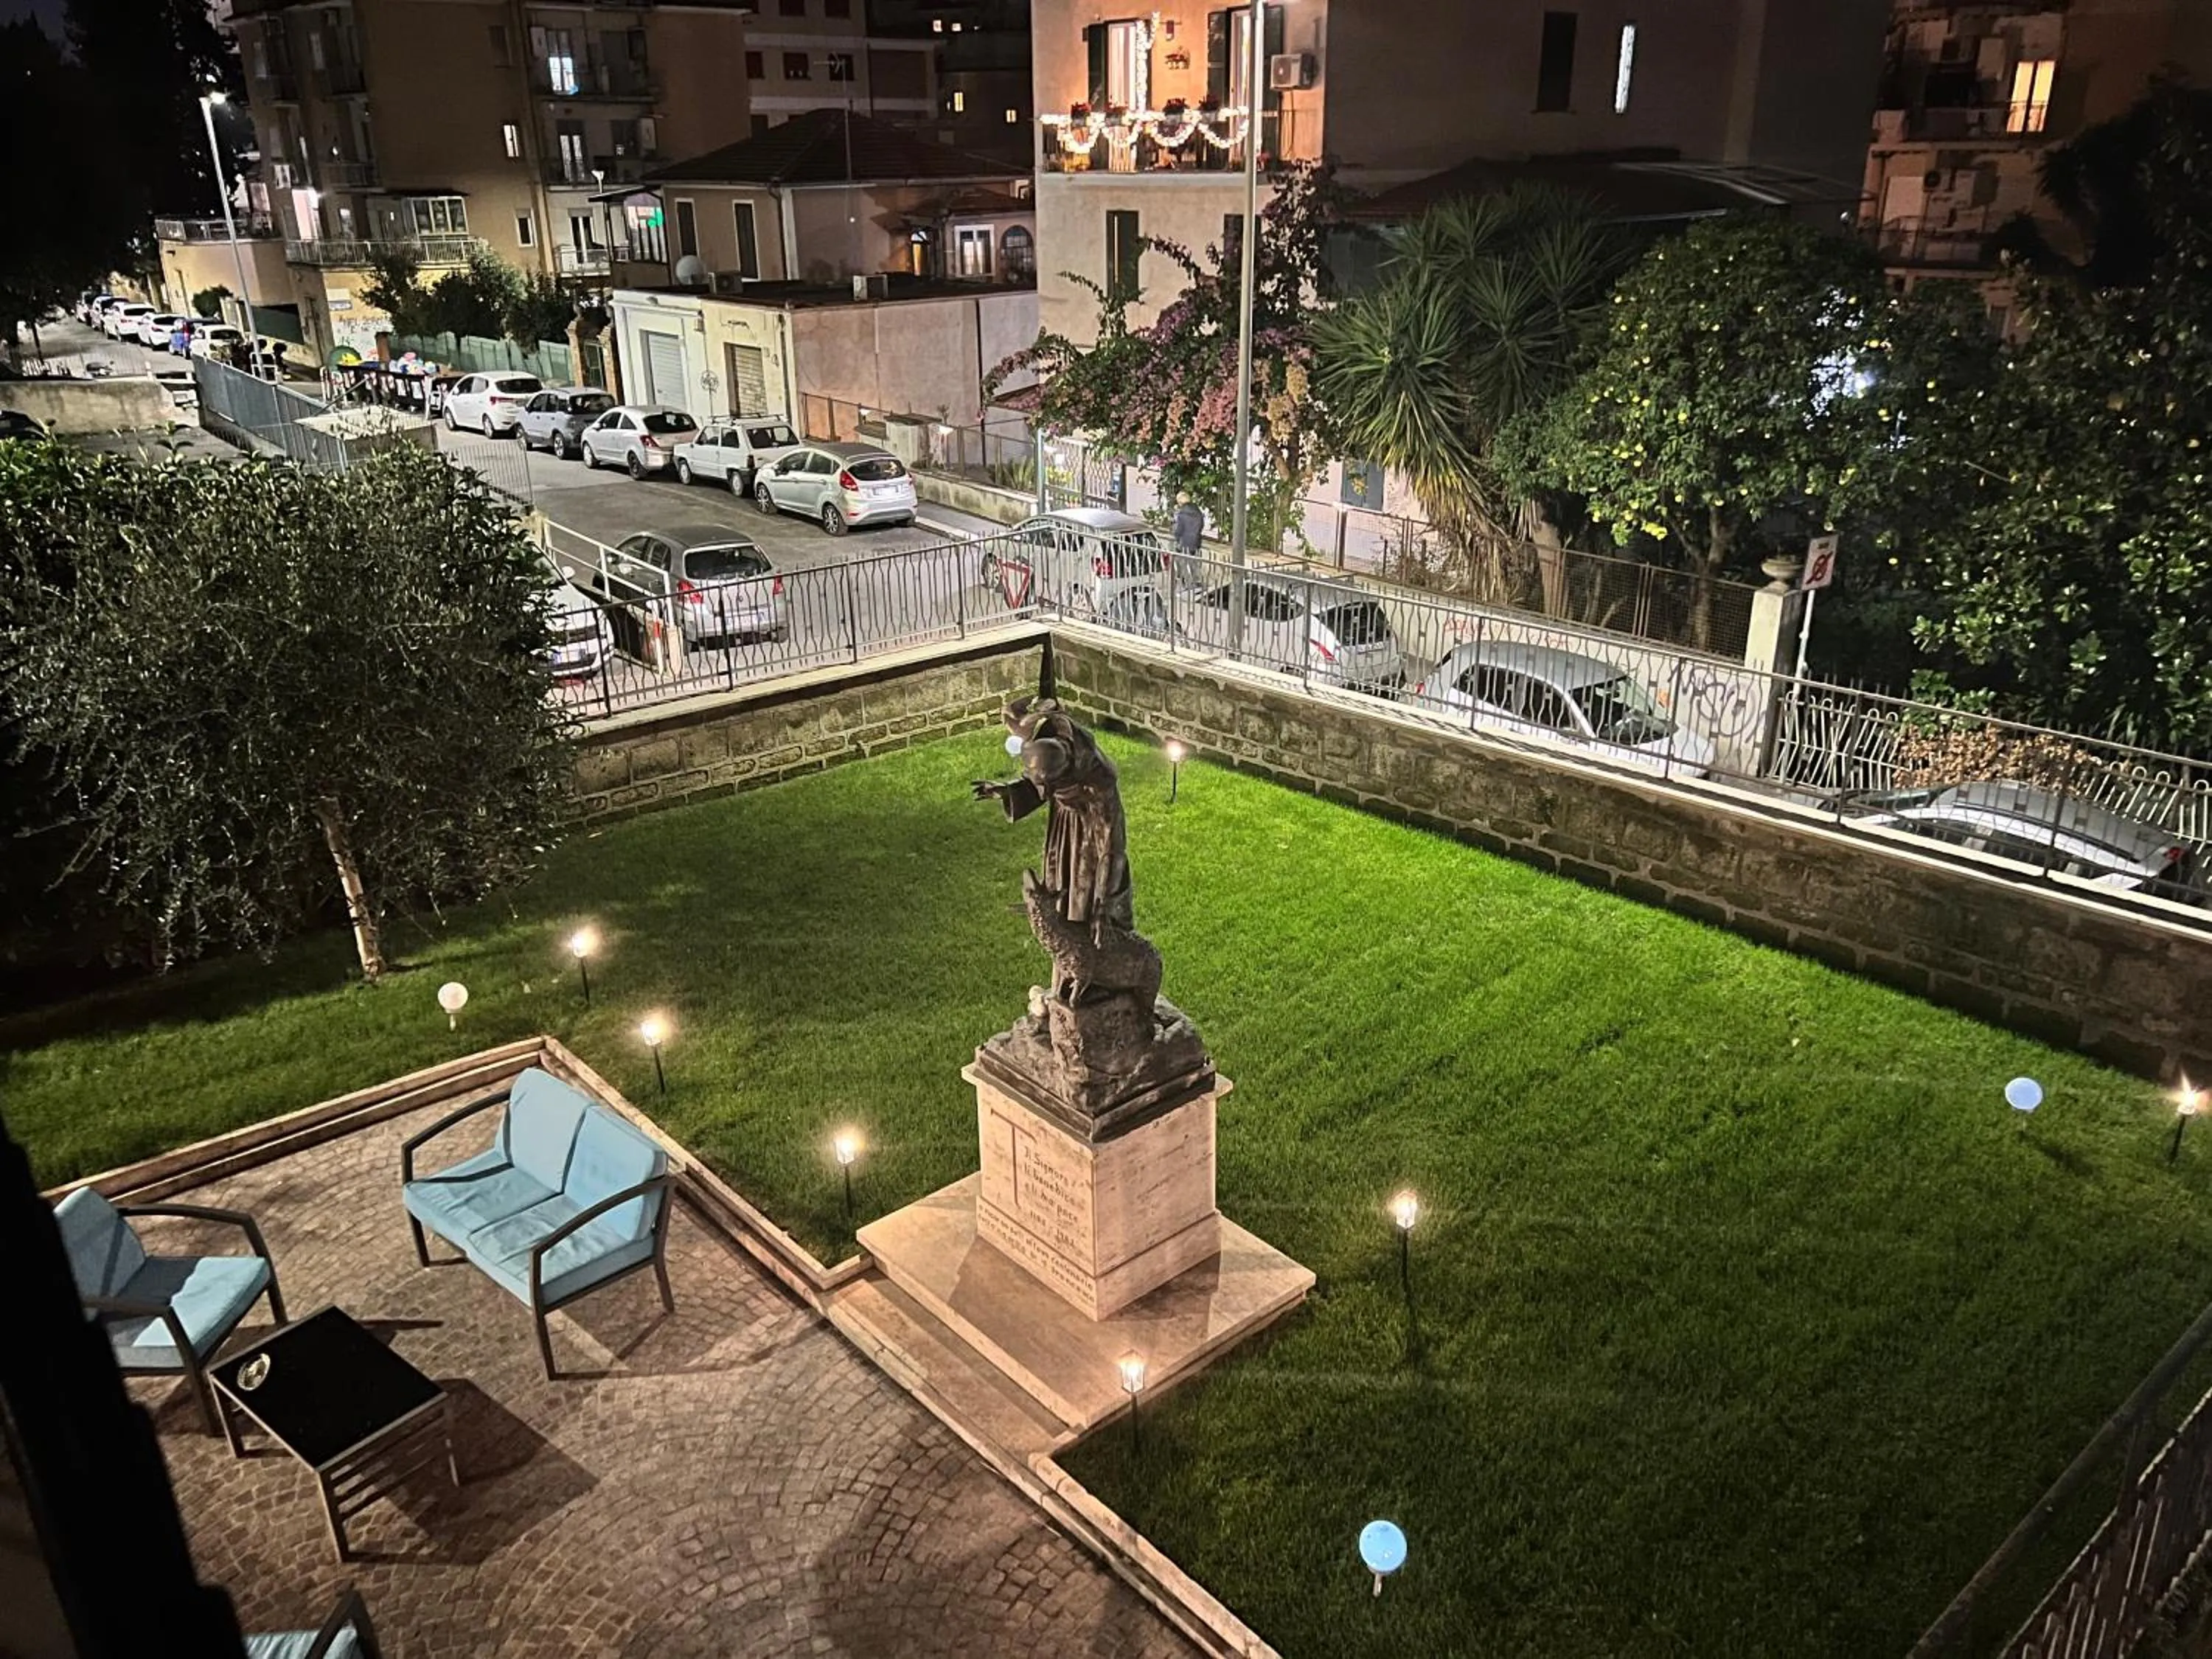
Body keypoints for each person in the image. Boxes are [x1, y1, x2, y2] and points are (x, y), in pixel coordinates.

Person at [1172, 492, 1204, 558]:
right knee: (1193, 565)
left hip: (1182, 545)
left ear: (1180, 502)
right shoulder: (1198, 512)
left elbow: (1178, 530)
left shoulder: (1181, 514)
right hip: (1196, 544)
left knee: (1181, 565)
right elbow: (1201, 526)